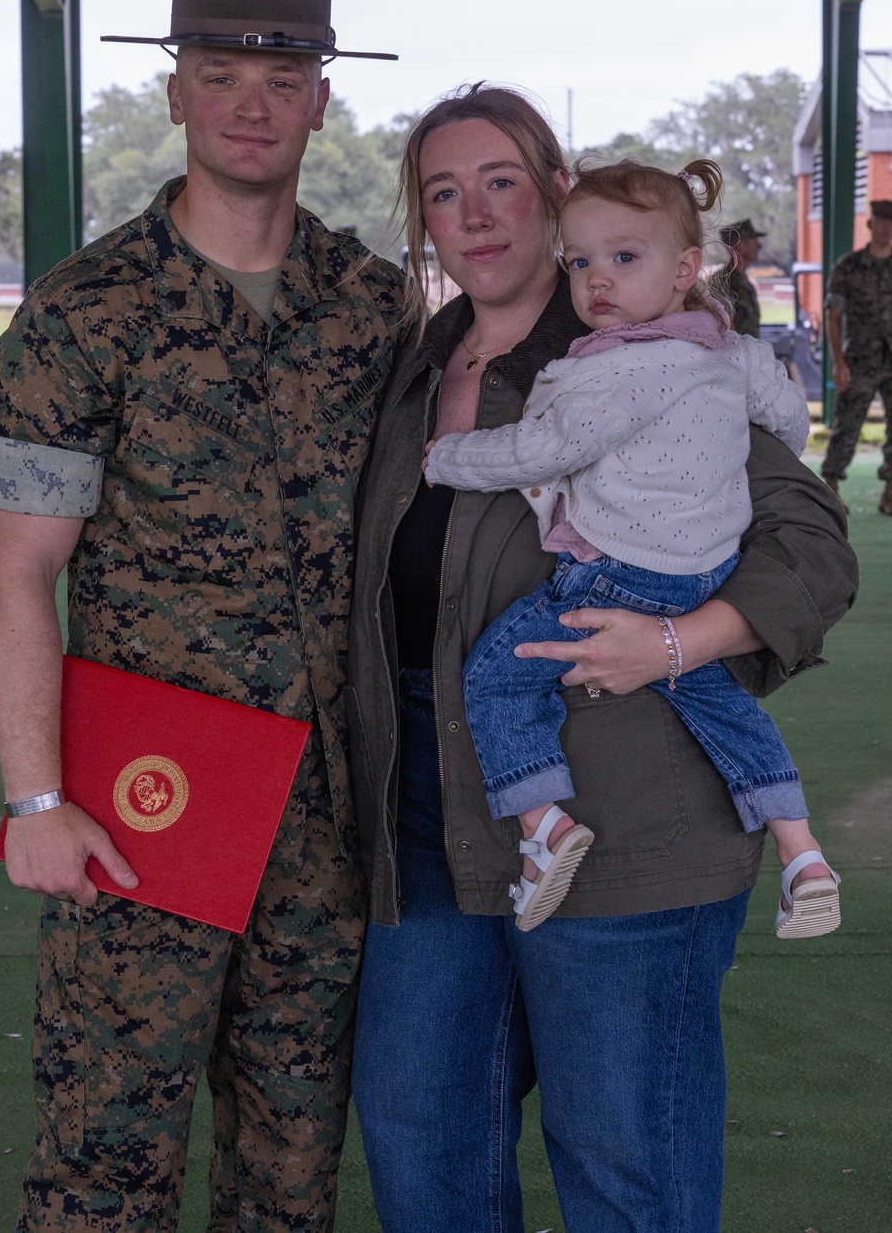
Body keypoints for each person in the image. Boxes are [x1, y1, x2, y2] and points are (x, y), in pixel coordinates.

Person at [346, 85, 858, 1233]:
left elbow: (812, 551)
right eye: (442, 190)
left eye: (500, 182)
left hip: (631, 813)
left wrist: (679, 639)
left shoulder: (656, 358)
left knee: (625, 1161)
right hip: (427, 814)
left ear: (556, 190)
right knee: (419, 1137)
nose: (472, 213)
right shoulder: (406, 375)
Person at [0, 0, 404, 1232]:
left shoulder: (376, 307)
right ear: (175, 91)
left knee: (288, 1178)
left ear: (322, 94)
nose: (251, 102)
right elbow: (13, 573)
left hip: (324, 831)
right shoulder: (84, 310)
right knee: (106, 1168)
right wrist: (35, 795)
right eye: (220, 72)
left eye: (282, 75)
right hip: (137, 816)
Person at [424, 156, 839, 939]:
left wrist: (445, 457)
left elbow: (540, 450)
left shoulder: (618, 369)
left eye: (622, 258)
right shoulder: (728, 350)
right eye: (580, 262)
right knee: (721, 705)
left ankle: (543, 821)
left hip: (617, 575)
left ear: (686, 268)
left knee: (504, 673)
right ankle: (802, 847)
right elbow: (787, 413)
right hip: (702, 568)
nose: (597, 282)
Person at [821, 198, 892, 514]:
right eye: (881, 221)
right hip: (860, 361)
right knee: (847, 426)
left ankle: (890, 492)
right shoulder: (848, 267)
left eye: (891, 221)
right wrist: (839, 361)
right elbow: (833, 315)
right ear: (870, 224)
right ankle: (832, 486)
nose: (887, 227)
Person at [720, 217, 764, 337]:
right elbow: (725, 331)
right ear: (740, 245)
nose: (759, 246)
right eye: (754, 240)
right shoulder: (723, 284)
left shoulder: (744, 282)